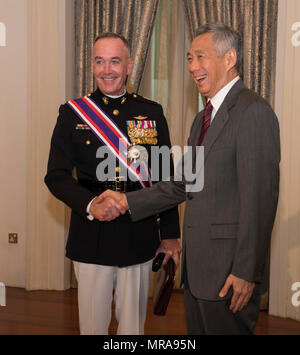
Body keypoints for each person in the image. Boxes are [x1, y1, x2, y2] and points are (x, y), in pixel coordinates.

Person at [97, 23, 280, 335]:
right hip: (198, 272)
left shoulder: (253, 112)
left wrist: (246, 272)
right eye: (189, 59)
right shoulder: (203, 118)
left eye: (200, 57)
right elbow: (183, 183)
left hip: (229, 274)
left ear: (230, 58)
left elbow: (259, 201)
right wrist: (127, 200)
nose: (193, 67)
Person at [44, 32, 181, 335]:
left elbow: (164, 181)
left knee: (132, 327)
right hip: (91, 234)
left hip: (139, 233)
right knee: (92, 327)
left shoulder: (152, 112)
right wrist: (91, 204)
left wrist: (170, 234)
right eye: (100, 61)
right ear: (92, 66)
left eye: (115, 61)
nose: (107, 70)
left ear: (129, 65)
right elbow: (56, 176)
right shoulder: (72, 114)